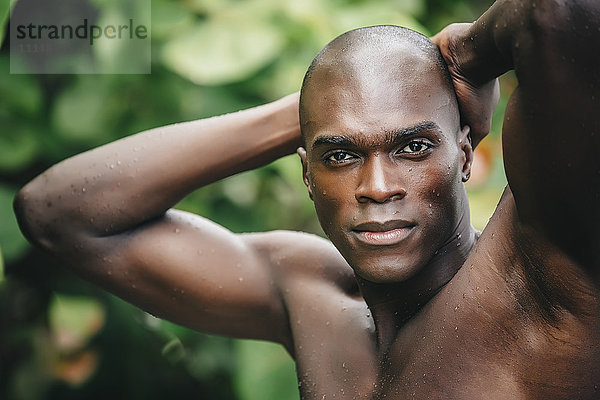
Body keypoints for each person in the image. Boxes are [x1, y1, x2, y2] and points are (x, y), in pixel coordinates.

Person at [14, 0, 600, 398]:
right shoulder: (312, 297)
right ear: (307, 172)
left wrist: (464, 59)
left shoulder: (537, 280)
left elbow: (558, 12)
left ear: (467, 155)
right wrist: (310, 107)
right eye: (341, 155)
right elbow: (57, 215)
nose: (376, 187)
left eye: (414, 147)